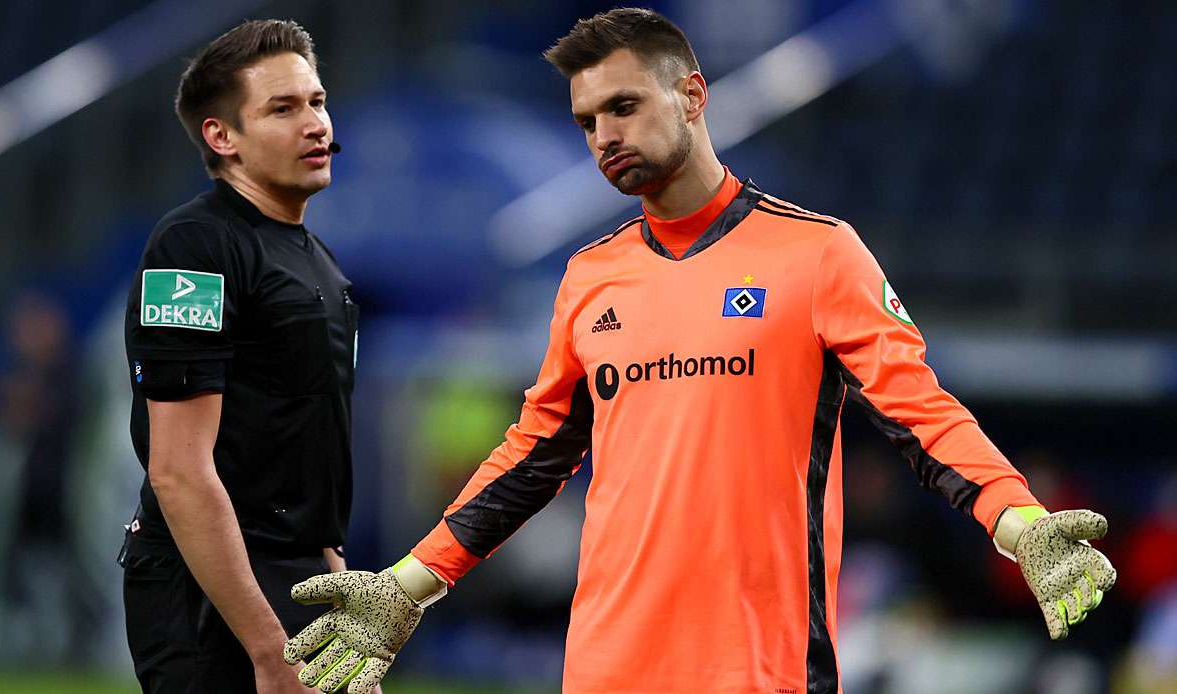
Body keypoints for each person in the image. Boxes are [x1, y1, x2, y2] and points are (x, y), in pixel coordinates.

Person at [282, 8, 1117, 694]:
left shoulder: (819, 254)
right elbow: (529, 458)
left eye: (623, 107)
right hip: (605, 669)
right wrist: (405, 587)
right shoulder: (590, 278)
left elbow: (920, 414)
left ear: (691, 94)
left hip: (760, 669)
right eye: (585, 122)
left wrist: (1022, 525)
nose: (602, 135)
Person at [119, 19, 361, 694]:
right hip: (210, 588)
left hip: (299, 577)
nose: (314, 123)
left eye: (315, 101)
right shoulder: (194, 250)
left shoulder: (324, 267)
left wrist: (335, 594)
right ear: (221, 137)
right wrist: (268, 647)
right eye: (282, 109)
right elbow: (177, 471)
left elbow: (311, 453)